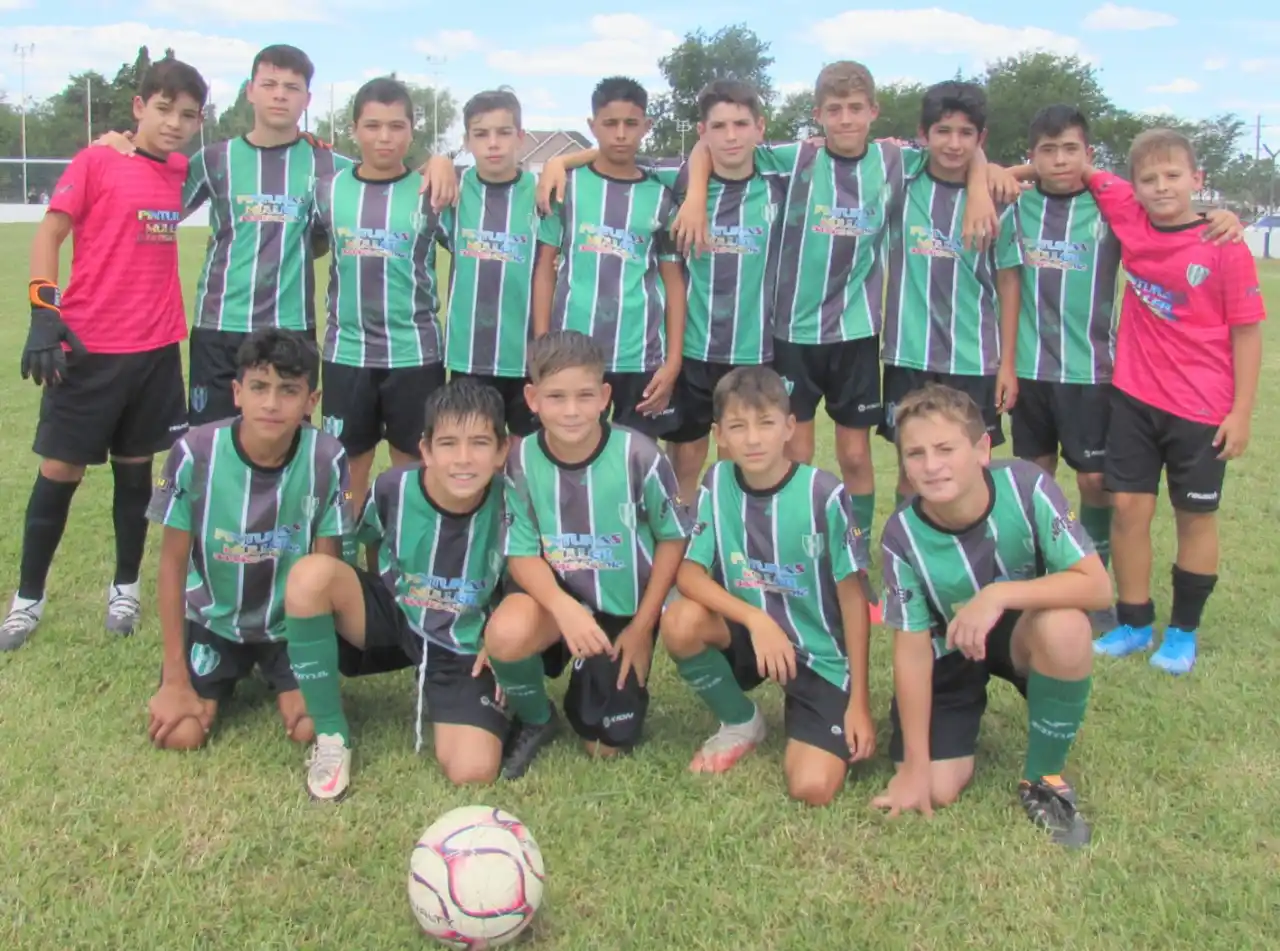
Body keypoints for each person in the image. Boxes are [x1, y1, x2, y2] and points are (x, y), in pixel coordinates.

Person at [670, 62, 1011, 543]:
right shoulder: (796, 159)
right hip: (792, 333)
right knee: (797, 451)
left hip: (856, 334)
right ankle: (794, 541)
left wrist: (980, 182)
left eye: (855, 108)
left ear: (873, 111)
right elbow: (709, 145)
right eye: (835, 110)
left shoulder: (895, 160)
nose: (846, 119)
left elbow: (962, 149)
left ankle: (856, 546)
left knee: (853, 454)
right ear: (818, 115)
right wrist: (694, 197)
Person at [93, 45, 455, 427]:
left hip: (291, 327)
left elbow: (389, 177)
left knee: (289, 443)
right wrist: (122, 145)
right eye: (269, 84)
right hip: (219, 326)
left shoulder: (329, 166)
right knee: (211, 440)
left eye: (291, 87)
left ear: (307, 99)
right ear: (250, 91)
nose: (280, 95)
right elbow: (152, 200)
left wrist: (440, 161)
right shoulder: (214, 160)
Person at [1008, 107, 1246, 633]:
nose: (1060, 159)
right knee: (1035, 479)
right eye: (1048, 151)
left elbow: (1166, 207)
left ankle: (1094, 584)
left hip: (1098, 372)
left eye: (1072, 149)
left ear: (1090, 155)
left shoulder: (1114, 206)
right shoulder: (1021, 205)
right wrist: (1007, 173)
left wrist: (1223, 215)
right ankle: (1044, 581)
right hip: (1035, 371)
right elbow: (1009, 176)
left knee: (1097, 482)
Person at [1, 58, 209, 651]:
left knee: (135, 472)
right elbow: (50, 232)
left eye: (187, 115)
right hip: (89, 348)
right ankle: (27, 600)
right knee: (59, 472)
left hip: (156, 350)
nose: (174, 123)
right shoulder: (96, 160)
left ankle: (125, 589)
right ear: (140, 107)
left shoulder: (179, 170)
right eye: (163, 109)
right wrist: (44, 311)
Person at [875, 384, 1109, 848]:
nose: (931, 465)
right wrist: (915, 766)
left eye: (945, 449)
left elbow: (1098, 587)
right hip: (950, 648)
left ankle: (1043, 779)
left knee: (1066, 626)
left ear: (982, 449)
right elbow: (912, 650)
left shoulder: (1027, 486)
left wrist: (998, 594)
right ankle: (948, 729)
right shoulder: (901, 534)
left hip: (1021, 632)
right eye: (916, 453)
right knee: (936, 789)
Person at [538, 79, 788, 501]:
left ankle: (719, 529)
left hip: (731, 346)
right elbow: (618, 154)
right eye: (719, 126)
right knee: (672, 452)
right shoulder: (664, 181)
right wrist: (556, 161)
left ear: (759, 127)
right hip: (664, 348)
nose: (730, 135)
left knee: (733, 450)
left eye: (740, 124)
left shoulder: (775, 176)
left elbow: (671, 277)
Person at [1082, 130, 1266, 673]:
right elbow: (1074, 164)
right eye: (1149, 179)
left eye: (1173, 176)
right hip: (1134, 398)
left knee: (1195, 517)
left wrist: (1241, 413)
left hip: (1201, 409)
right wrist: (996, 175)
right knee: (1127, 510)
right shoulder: (1128, 214)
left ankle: (1183, 632)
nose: (1161, 187)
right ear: (1133, 186)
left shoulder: (1224, 244)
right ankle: (1134, 622)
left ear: (1196, 180)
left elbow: (1248, 333)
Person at [282, 379, 512, 800]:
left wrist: (502, 637)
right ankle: (332, 737)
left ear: (502, 450)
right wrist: (381, 590)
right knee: (309, 576)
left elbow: (525, 574)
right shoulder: (394, 487)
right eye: (448, 443)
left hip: (463, 639)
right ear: (426, 450)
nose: (463, 459)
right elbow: (370, 536)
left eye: (480, 443)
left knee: (472, 770)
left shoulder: (513, 501)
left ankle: (470, 699)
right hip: (397, 611)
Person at [661, 366, 874, 806]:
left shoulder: (824, 494)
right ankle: (741, 721)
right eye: (738, 426)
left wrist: (860, 702)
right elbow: (689, 574)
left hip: (818, 655)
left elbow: (854, 601)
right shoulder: (717, 482)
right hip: (752, 637)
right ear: (719, 435)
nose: (753, 439)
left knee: (812, 788)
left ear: (789, 427)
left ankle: (815, 708)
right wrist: (756, 620)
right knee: (681, 620)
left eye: (766, 423)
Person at [484, 331, 693, 778]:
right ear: (532, 399)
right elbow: (521, 553)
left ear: (604, 397)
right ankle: (536, 716)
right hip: (553, 600)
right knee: (505, 633)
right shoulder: (521, 461)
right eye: (556, 397)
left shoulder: (640, 456)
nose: (571, 410)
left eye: (584, 395)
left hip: (621, 611)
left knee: (605, 747)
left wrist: (642, 627)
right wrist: (564, 609)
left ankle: (592, 678)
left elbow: (673, 539)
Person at [143, 329, 351, 756]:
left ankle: (283, 672)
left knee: (309, 726)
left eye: (288, 390)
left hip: (288, 625)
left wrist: (320, 665)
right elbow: (172, 565)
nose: (271, 403)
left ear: (311, 401)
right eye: (259, 387)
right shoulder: (195, 453)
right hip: (214, 621)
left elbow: (327, 569)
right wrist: (175, 678)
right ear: (237, 393)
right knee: (182, 735)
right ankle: (211, 670)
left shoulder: (327, 458)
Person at [314, 77, 447, 539]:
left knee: (412, 465)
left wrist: (444, 161)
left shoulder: (433, 192)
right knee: (348, 464)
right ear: (354, 129)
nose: (384, 137)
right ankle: (344, 559)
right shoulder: (327, 191)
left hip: (415, 354)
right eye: (372, 126)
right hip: (347, 353)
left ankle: (402, 555)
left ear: (412, 130)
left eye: (396, 126)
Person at [879, 81, 1024, 503]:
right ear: (923, 134)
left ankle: (973, 543)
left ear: (981, 138)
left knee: (973, 469)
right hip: (909, 355)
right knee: (912, 468)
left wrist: (1007, 364)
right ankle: (909, 544)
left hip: (973, 358)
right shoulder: (902, 181)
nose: (954, 143)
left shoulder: (999, 200)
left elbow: (1009, 282)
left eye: (966, 133)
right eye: (943, 131)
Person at [532, 76, 687, 441]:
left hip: (641, 353)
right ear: (592, 126)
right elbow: (545, 271)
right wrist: (541, 345)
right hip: (572, 352)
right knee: (573, 449)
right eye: (610, 123)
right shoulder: (566, 187)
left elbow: (673, 281)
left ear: (646, 126)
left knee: (637, 454)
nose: (620, 134)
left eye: (631, 124)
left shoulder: (661, 195)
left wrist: (673, 360)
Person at [441, 88, 542, 447]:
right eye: (481, 134)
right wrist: (438, 160)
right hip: (469, 355)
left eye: (504, 132)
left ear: (521, 137)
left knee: (525, 457)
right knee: (474, 449)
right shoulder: (453, 191)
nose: (493, 143)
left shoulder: (543, 193)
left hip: (527, 357)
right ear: (467, 141)